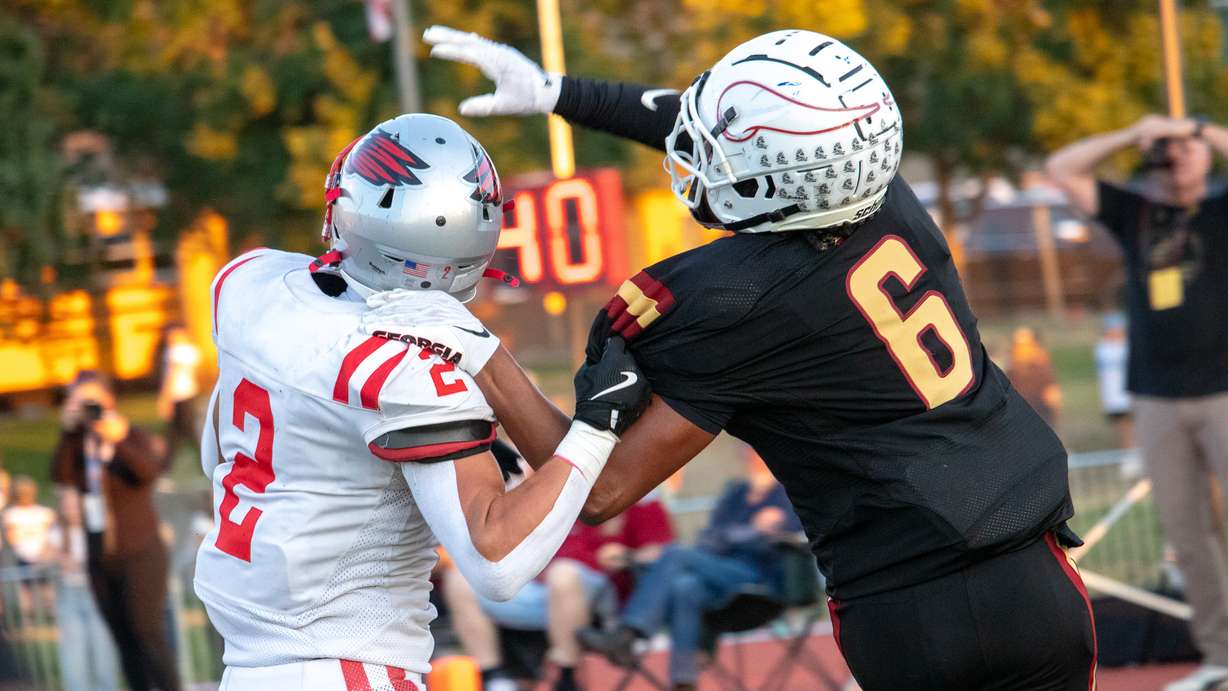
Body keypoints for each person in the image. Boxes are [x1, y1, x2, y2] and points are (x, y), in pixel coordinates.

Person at [413, 26, 1096, 691]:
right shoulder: (884, 196)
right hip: (1035, 585)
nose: (707, 154)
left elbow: (596, 491)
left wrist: (487, 357)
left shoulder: (729, 297)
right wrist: (565, 93)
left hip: (906, 612)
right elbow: (751, 142)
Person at [193, 113, 651, 691]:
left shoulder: (250, 283)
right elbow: (498, 562)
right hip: (348, 665)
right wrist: (593, 431)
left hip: (248, 665)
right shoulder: (405, 373)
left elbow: (221, 452)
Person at [1046, 114, 1228, 691]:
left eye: (1188, 150)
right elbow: (1061, 169)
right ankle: (1221, 654)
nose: (1179, 158)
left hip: (1224, 391)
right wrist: (1135, 134)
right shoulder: (1137, 212)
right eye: (1169, 151)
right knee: (1186, 531)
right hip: (1156, 398)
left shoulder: (1222, 208)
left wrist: (1199, 127)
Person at [580, 447, 801, 690]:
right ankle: (684, 680)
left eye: (759, 451)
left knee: (675, 554)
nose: (754, 456)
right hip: (719, 570)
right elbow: (709, 537)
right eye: (750, 451)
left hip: (759, 578)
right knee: (686, 587)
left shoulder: (786, 495)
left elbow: (782, 540)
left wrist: (739, 536)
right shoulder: (736, 493)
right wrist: (752, 530)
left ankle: (628, 634)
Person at [443, 495, 673, 691]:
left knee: (563, 574)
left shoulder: (642, 501)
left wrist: (626, 556)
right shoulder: (558, 493)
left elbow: (662, 555)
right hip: (543, 591)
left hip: (604, 597)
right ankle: (494, 677)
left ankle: (567, 676)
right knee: (460, 578)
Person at [51, 371, 179, 691]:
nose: (89, 408)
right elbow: (61, 476)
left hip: (141, 552)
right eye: (81, 401)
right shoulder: (79, 444)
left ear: (109, 400)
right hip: (100, 556)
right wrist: (68, 432)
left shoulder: (129, 434)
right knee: (123, 640)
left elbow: (149, 472)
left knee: (146, 632)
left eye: (93, 400)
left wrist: (117, 440)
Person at [51, 489, 120, 691]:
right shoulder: (57, 532)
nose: (70, 509)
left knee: (103, 650)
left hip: (96, 595)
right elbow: (44, 553)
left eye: (74, 504)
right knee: (74, 653)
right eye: (66, 504)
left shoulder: (96, 530)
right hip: (70, 595)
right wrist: (60, 558)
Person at [158, 323, 203, 462]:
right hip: (189, 393)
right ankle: (165, 464)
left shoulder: (176, 351)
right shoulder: (192, 350)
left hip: (179, 395)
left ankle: (165, 464)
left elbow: (172, 377)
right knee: (176, 433)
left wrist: (165, 399)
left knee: (185, 431)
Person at [1005, 327, 1062, 427]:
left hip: (1040, 413)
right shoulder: (1011, 369)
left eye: (1025, 346)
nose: (1021, 350)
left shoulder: (1041, 367)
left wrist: (1055, 412)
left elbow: (1052, 394)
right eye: (1018, 346)